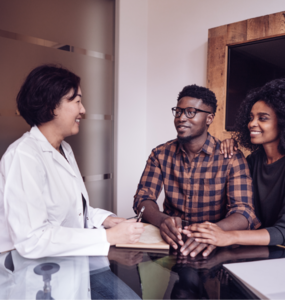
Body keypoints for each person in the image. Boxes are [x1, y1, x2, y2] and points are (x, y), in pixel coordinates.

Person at [0, 64, 144, 258]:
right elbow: (32, 239)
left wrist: (105, 220)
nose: (83, 110)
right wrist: (107, 237)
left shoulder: (64, 149)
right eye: (77, 101)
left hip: (66, 264)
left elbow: (72, 211)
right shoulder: (23, 156)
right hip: (31, 274)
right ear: (51, 106)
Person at [133, 84, 260, 258]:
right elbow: (143, 198)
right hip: (172, 242)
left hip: (215, 248)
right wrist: (161, 220)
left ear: (209, 118)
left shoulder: (231, 157)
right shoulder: (160, 154)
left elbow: (244, 211)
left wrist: (211, 233)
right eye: (178, 112)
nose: (181, 118)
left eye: (190, 112)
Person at [190, 78, 285, 247]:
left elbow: (283, 231)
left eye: (263, 118)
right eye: (251, 117)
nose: (252, 124)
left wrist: (230, 237)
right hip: (258, 251)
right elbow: (242, 209)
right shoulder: (252, 161)